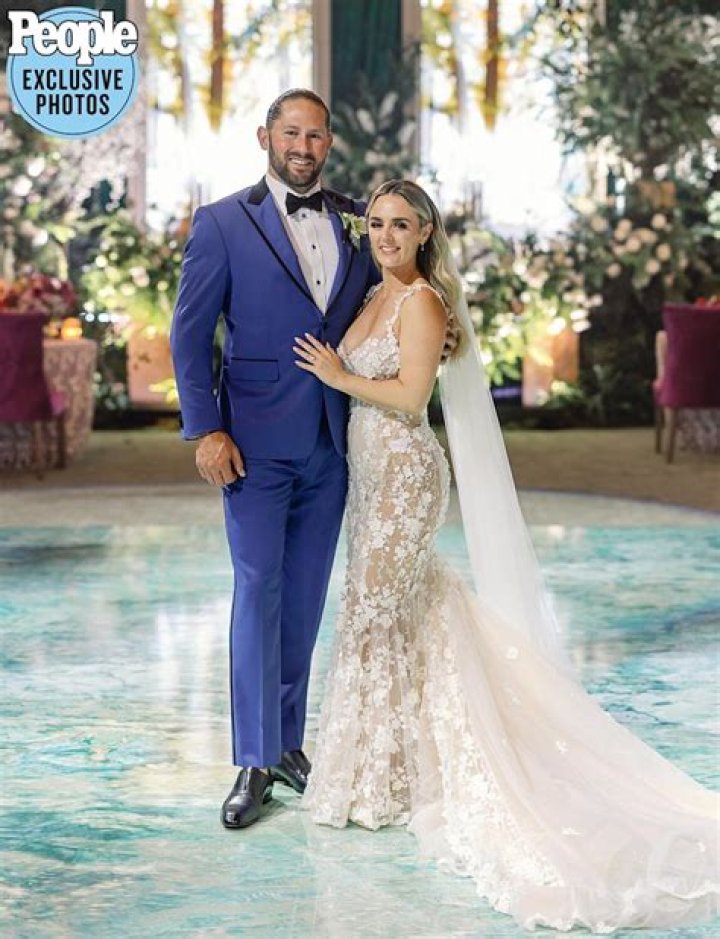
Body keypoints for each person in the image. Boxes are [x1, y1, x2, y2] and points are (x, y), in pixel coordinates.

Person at [294, 179, 718, 932]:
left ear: (425, 232)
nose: (386, 236)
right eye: (377, 224)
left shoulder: (422, 301)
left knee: (373, 614)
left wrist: (338, 376)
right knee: (384, 613)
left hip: (405, 476)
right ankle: (385, 769)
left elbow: (410, 395)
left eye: (400, 225)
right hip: (371, 475)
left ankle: (382, 781)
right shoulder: (374, 294)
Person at [170, 89, 378, 829]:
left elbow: (389, 302)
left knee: (305, 596)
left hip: (333, 441)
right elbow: (189, 335)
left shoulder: (360, 221)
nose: (302, 147)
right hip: (251, 444)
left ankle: (288, 744)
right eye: (291, 133)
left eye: (315, 135)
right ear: (265, 137)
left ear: (330, 143)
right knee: (258, 587)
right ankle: (254, 760)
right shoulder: (222, 223)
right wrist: (206, 430)